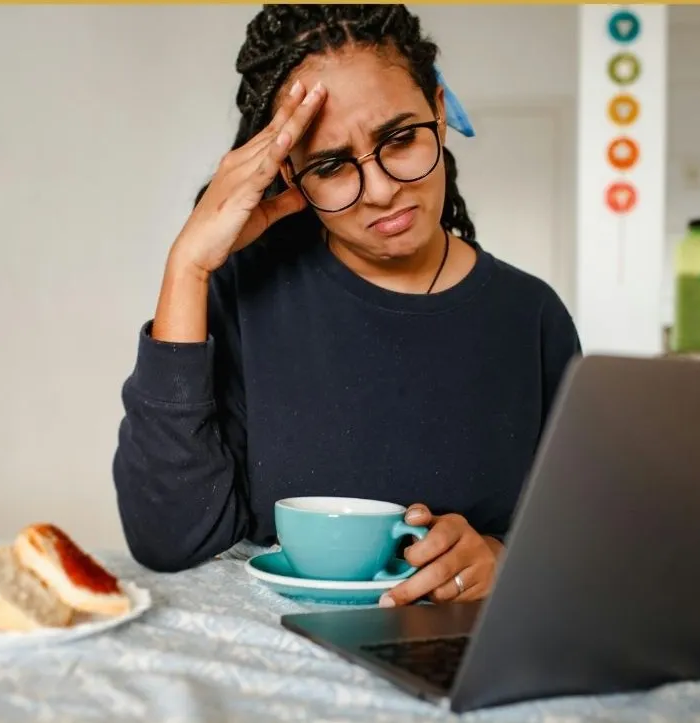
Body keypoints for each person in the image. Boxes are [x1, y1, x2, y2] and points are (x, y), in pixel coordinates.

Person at [112, 4, 582, 608]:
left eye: (400, 138)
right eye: (332, 166)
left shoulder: (533, 318)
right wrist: (188, 268)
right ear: (290, 173)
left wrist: (501, 558)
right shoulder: (241, 295)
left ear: (438, 113)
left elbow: (573, 548)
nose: (382, 189)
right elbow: (169, 539)